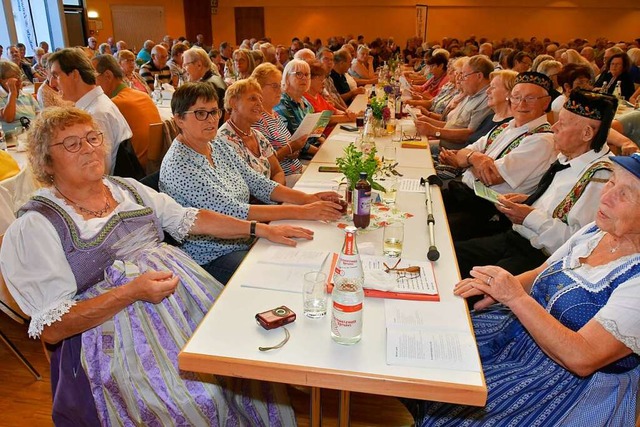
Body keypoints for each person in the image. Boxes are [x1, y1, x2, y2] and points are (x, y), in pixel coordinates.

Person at [0, 106, 308, 426]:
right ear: (45, 161)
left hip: (183, 302)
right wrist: (129, 292)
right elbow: (53, 327)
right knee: (196, 398)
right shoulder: (38, 225)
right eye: (72, 144)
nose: (89, 148)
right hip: (114, 340)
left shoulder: (126, 189)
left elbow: (190, 218)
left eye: (93, 138)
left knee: (241, 364)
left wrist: (261, 229)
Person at [410, 151, 640, 426]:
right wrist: (495, 287)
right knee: (429, 346)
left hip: (563, 385)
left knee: (455, 406)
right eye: (611, 183)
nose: (605, 196)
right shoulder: (596, 230)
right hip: (523, 339)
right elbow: (542, 271)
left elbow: (583, 357)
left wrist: (515, 297)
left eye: (624, 194)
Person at [160, 83, 342, 283]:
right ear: (179, 119)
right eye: (201, 113)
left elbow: (258, 182)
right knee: (289, 276)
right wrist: (303, 210)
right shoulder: (180, 164)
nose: (211, 120)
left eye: (214, 112)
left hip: (247, 236)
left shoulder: (215, 143)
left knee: (313, 255)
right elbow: (233, 210)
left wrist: (307, 199)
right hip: (212, 255)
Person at [455, 89, 617, 278]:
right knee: (451, 254)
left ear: (587, 133)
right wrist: (529, 200)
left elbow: (578, 243)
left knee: (469, 283)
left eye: (562, 124)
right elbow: (559, 205)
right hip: (516, 238)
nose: (554, 127)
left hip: (540, 260)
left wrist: (529, 217)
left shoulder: (602, 178)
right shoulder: (570, 157)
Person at [440, 71, 556, 240]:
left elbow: (491, 177)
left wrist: (468, 160)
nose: (521, 104)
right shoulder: (506, 127)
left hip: (487, 211)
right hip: (464, 193)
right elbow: (461, 154)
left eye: (530, 98)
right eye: (516, 97)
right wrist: (476, 158)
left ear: (545, 103)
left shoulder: (542, 139)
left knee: (436, 231)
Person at [49, 47, 132, 174]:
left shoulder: (95, 114)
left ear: (75, 75)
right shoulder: (96, 105)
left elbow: (100, 172)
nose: (52, 83)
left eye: (56, 75)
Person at [93, 54, 162, 171]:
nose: (91, 84)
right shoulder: (143, 95)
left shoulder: (111, 106)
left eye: (92, 77)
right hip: (156, 165)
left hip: (135, 171)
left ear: (108, 76)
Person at [415, 55, 494, 152]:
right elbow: (451, 125)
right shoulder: (471, 94)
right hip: (442, 143)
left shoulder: (486, 100)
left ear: (479, 76)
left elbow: (469, 135)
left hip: (451, 152)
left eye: (464, 75)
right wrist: (428, 123)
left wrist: (434, 131)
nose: (460, 79)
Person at [219, 78, 285, 184]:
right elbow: (243, 187)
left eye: (261, 100)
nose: (259, 104)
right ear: (233, 103)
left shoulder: (258, 136)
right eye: (252, 98)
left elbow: (277, 172)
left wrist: (278, 194)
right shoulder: (224, 140)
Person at [251, 63, 306, 187]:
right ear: (259, 88)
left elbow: (284, 145)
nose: (280, 90)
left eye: (279, 85)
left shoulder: (274, 114)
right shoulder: (257, 119)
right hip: (283, 179)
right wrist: (290, 148)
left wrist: (294, 150)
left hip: (297, 169)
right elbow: (264, 164)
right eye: (274, 86)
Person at [274, 59, 320, 159]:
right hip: (300, 158)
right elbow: (294, 139)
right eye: (298, 74)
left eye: (307, 75)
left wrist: (323, 141)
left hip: (314, 151)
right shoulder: (282, 102)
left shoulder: (305, 100)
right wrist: (319, 152)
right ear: (287, 77)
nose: (304, 78)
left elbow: (317, 129)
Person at [303, 60, 356, 127]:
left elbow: (335, 111)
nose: (323, 83)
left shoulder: (318, 96)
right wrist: (348, 117)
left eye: (324, 80)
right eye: (320, 80)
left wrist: (348, 113)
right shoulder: (305, 99)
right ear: (310, 80)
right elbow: (322, 120)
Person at [182, 47, 227, 125]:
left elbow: (200, 118)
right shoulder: (215, 79)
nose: (183, 69)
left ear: (199, 65)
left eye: (186, 65)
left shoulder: (207, 87)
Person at [0, 60, 40, 134]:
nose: (19, 80)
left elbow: (40, 117)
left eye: (19, 76)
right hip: (12, 139)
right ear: (2, 80)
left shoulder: (27, 96)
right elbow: (8, 118)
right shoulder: (1, 97)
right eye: (14, 77)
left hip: (32, 136)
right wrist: (12, 94)